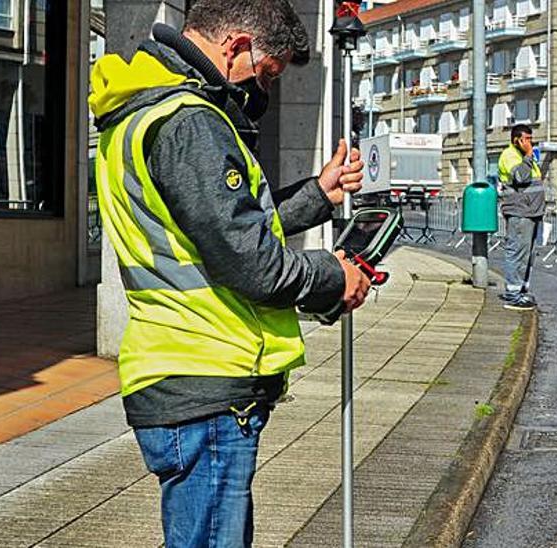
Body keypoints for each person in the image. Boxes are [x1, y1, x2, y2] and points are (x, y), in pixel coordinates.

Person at [88, 1, 371, 545]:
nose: (260, 91)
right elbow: (252, 264)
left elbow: (220, 229)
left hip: (182, 370)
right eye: (265, 73)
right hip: (208, 378)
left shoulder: (142, 109)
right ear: (237, 46)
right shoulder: (191, 122)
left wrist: (317, 195)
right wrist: (334, 276)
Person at [497, 124, 548, 311]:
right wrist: (527, 155)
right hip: (520, 211)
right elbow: (521, 178)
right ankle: (513, 294)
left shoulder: (526, 157)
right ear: (516, 140)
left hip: (532, 212)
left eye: (530, 139)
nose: (530, 143)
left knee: (528, 253)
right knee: (517, 251)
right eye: (526, 139)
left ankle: (522, 290)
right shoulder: (510, 156)